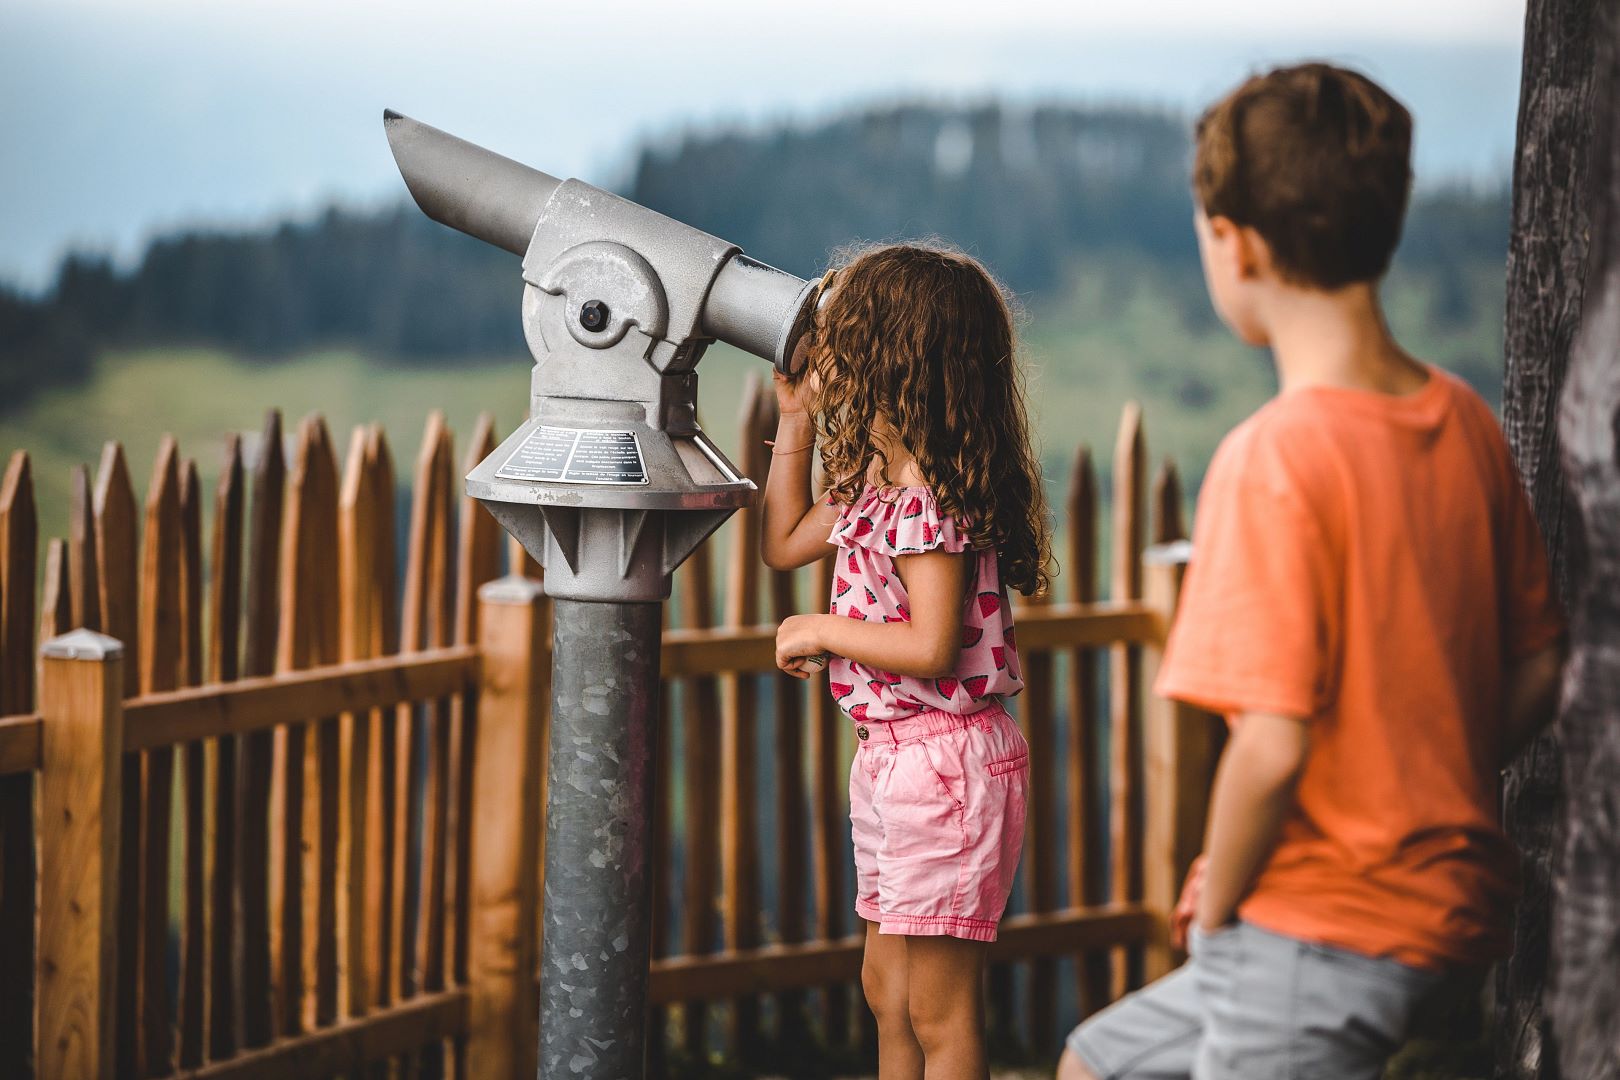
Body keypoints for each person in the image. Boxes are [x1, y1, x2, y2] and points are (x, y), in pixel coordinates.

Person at [1059, 62, 1566, 1080]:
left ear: (1232, 242)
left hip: (1317, 929)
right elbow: (1540, 669)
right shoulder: (1465, 423)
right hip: (1444, 910)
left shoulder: (1270, 458)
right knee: (1093, 1061)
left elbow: (1271, 750)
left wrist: (1220, 904)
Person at [761, 243, 1051, 1080]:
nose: (827, 360)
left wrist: (820, 630)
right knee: (886, 988)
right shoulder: (871, 482)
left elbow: (930, 645)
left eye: (842, 341)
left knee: (938, 1007)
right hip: (895, 762)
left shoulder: (927, 495)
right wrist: (794, 419)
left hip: (946, 765)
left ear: (893, 358)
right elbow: (783, 544)